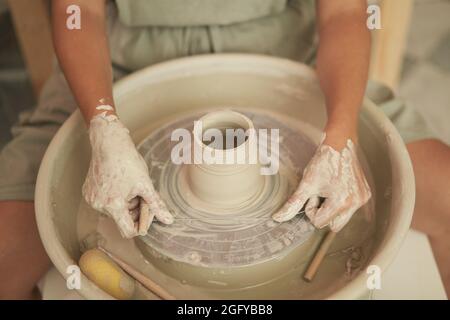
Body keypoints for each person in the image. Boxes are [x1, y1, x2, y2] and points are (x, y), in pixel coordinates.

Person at [0, 0, 448, 299]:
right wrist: (103, 125)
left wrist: (342, 136)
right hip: (118, 65)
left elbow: (345, 13)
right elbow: (79, 13)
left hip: (293, 58)